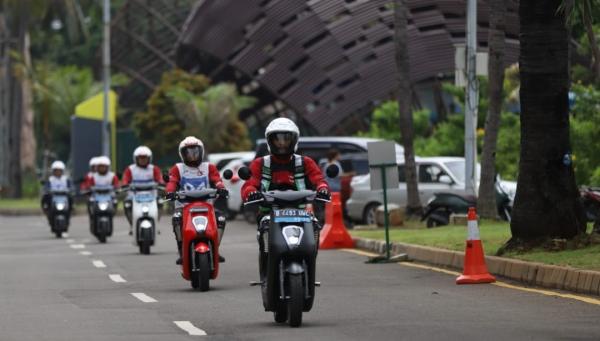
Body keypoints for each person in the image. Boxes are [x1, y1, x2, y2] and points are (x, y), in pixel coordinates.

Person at [241, 118, 331, 259]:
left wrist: (323, 189)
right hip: (269, 212)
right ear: (270, 141)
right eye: (277, 139)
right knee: (264, 227)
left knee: (314, 225)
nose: (282, 143)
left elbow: (319, 179)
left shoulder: (305, 162)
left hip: (300, 212)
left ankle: (310, 263)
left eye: (286, 139)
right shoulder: (260, 163)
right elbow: (249, 184)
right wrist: (251, 192)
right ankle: (266, 270)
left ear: (294, 140)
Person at [165, 136, 228, 265]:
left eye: (195, 151)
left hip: (207, 206)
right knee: (176, 218)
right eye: (188, 152)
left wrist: (221, 188)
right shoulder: (177, 168)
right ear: (182, 154)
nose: (192, 155)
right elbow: (172, 182)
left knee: (221, 218)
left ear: (201, 151)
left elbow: (217, 180)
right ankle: (182, 250)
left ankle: (215, 249)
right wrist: (170, 192)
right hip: (184, 206)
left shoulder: (209, 167)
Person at [121, 146, 164, 231]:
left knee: (160, 202)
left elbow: (160, 179)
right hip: (134, 195)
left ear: (149, 158)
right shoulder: (130, 169)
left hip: (152, 195)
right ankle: (132, 224)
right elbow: (125, 179)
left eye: (145, 158)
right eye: (140, 158)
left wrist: (161, 183)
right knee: (127, 203)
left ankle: (156, 222)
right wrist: (125, 184)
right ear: (136, 159)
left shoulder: (154, 169)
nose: (143, 160)